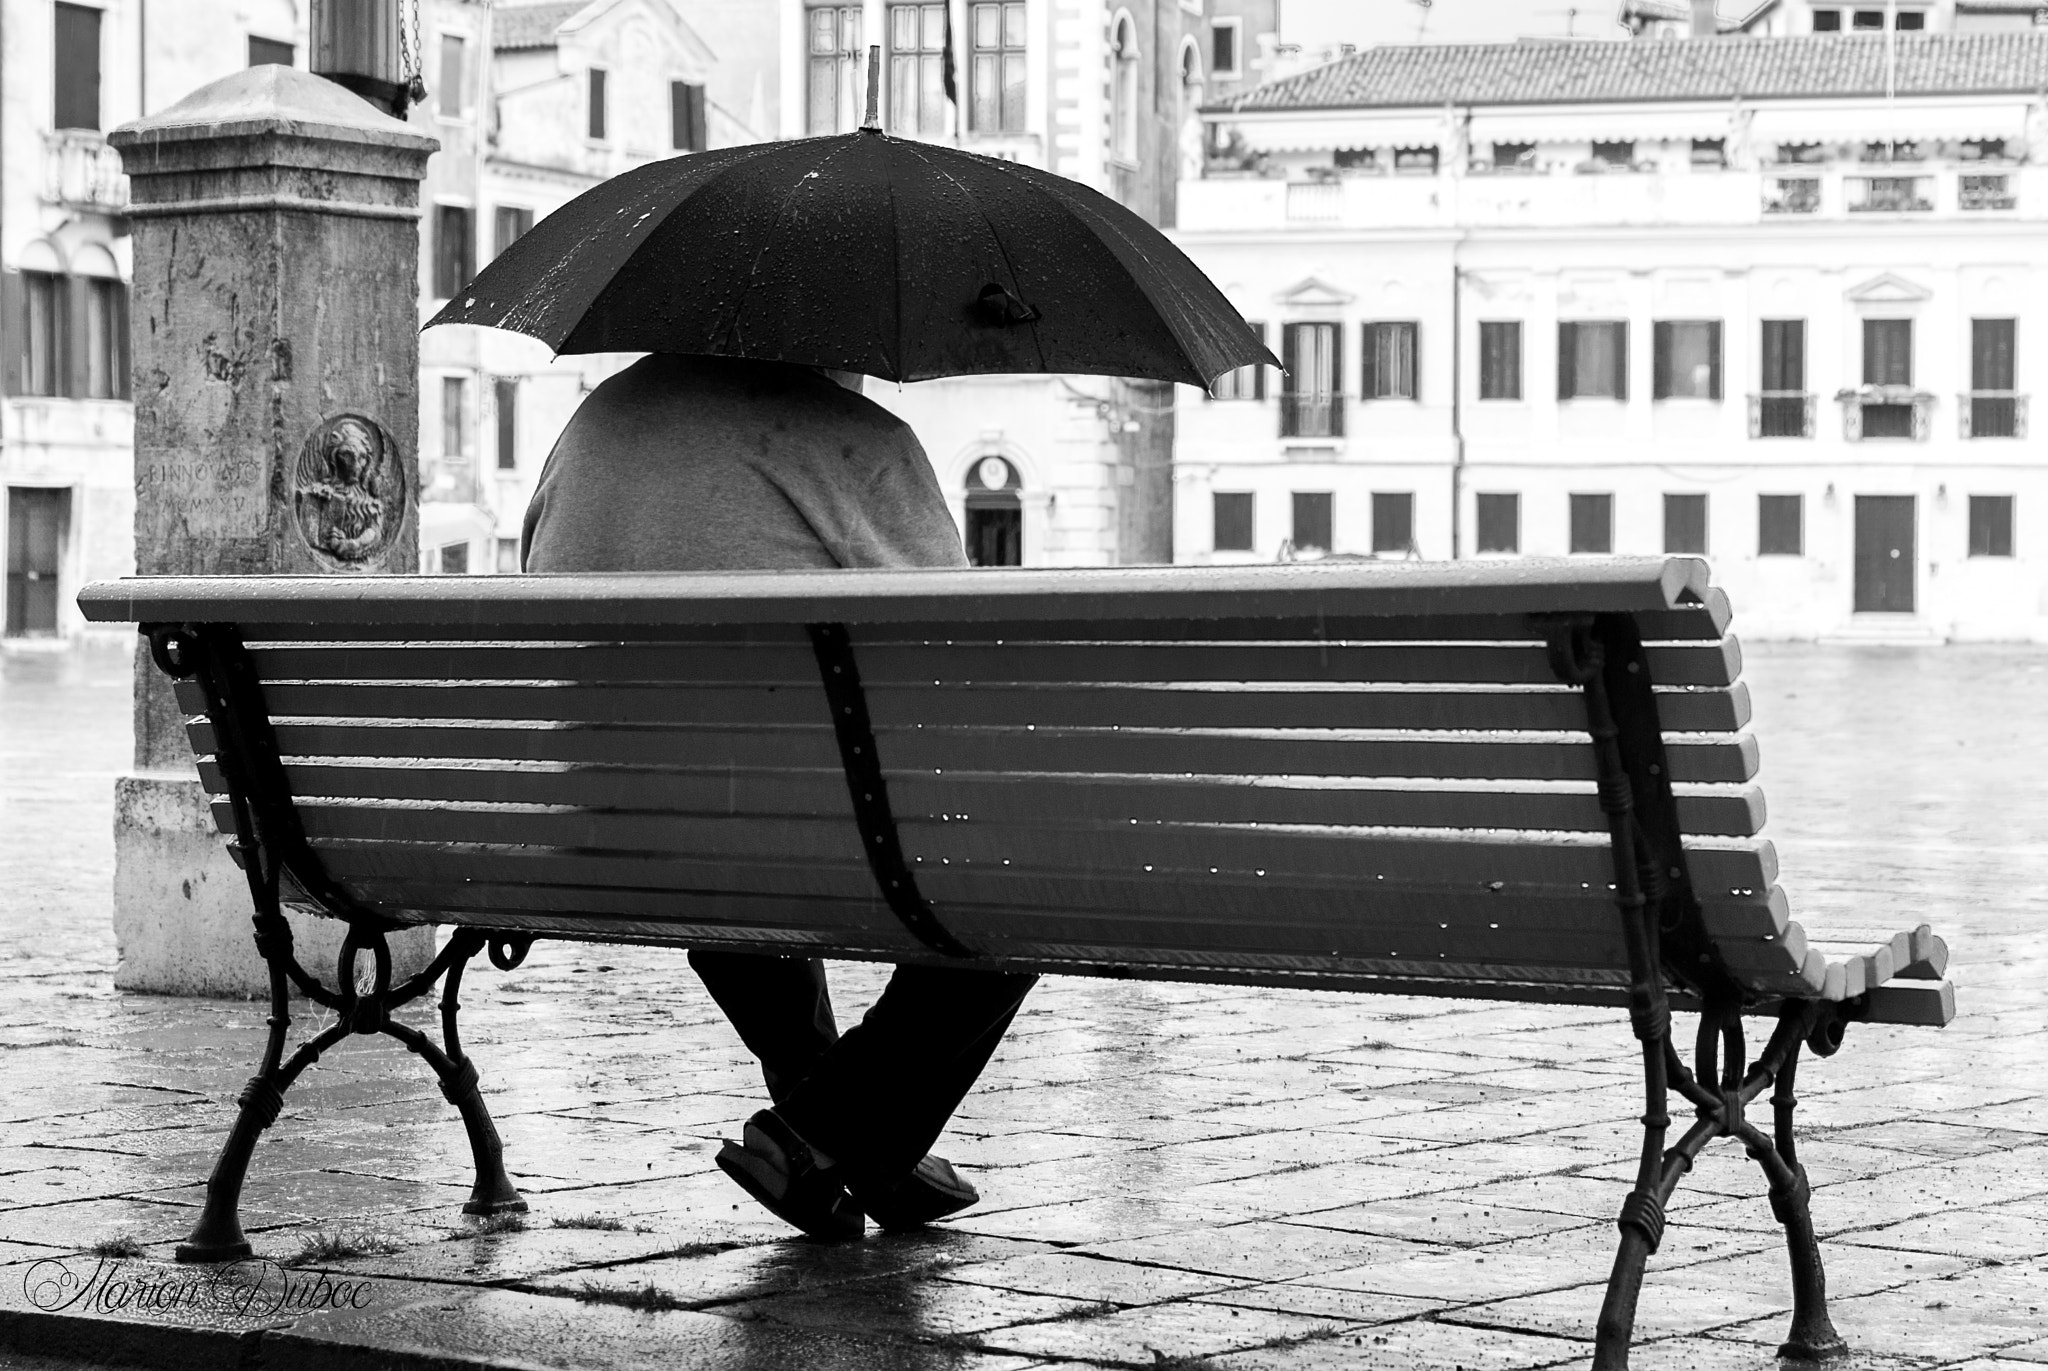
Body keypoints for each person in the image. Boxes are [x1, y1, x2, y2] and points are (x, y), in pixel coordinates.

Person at [522, 353, 1037, 1241]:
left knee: (730, 813)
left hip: (607, 823)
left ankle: (847, 1141)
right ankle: (826, 1130)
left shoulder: (595, 424)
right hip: (774, 827)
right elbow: (954, 651)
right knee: (1026, 887)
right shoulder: (855, 439)